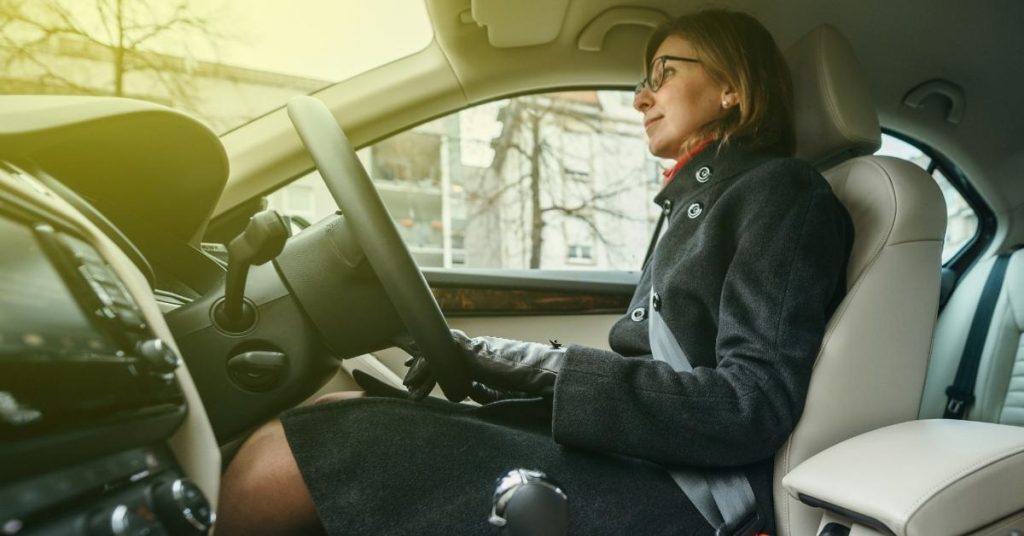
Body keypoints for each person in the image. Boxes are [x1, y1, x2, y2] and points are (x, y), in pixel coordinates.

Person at [216, 9, 853, 536]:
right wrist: (493, 366)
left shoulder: (780, 193)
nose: (640, 98)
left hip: (684, 493)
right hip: (636, 458)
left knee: (285, 458)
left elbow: (751, 405)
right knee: (336, 410)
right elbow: (653, 376)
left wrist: (534, 367)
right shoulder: (698, 200)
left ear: (731, 87)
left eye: (662, 72)